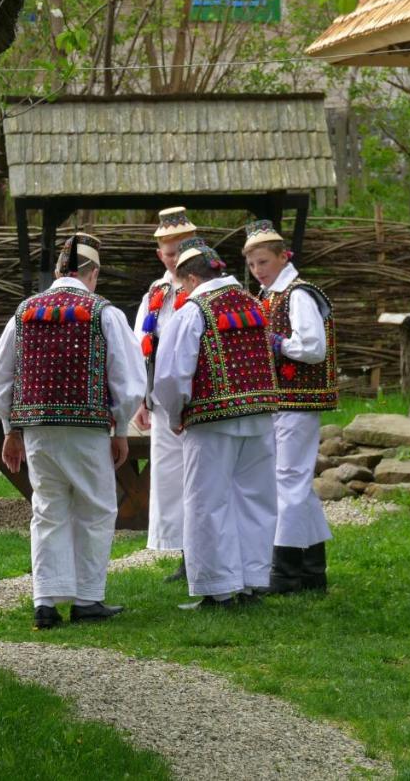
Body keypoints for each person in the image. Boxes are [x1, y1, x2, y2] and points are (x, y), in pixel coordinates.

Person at [0, 234, 146, 630]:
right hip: (87, 429)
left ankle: (46, 601)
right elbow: (129, 380)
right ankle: (88, 598)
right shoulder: (103, 312)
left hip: (38, 431)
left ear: (57, 271)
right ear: (92, 274)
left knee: (48, 510)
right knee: (95, 509)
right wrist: (120, 426)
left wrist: (11, 427)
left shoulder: (24, 312)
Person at [153, 237, 280, 609]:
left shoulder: (194, 310)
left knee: (207, 502)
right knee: (254, 499)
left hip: (211, 420)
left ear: (190, 279)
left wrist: (175, 415)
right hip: (258, 417)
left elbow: (172, 375)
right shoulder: (254, 303)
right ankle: (251, 582)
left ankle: (217, 588)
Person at [242, 220, 338, 594]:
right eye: (252, 265)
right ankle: (312, 570)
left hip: (299, 400)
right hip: (280, 400)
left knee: (288, 479)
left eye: (263, 262)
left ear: (284, 257)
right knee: (292, 480)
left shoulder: (297, 294)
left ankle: (285, 571)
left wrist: (278, 344)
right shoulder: (271, 296)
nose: (258, 271)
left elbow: (314, 349)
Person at [132, 207, 197, 581]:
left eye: (181, 252)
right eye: (168, 253)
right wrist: (142, 398)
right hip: (161, 403)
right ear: (159, 255)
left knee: (198, 475)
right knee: (171, 478)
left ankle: (202, 550)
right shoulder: (155, 294)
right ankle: (186, 553)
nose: (174, 260)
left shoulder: (204, 290)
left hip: (197, 400)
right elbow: (141, 344)